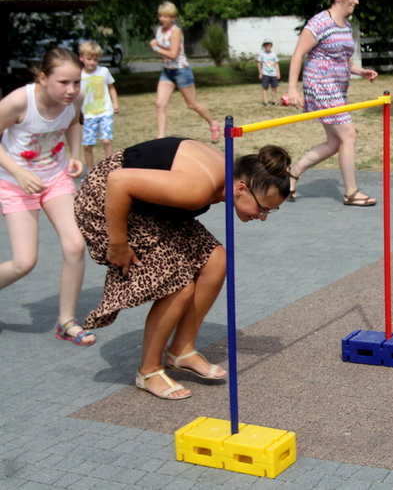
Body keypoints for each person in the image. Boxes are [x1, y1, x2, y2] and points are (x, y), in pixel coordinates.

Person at [74, 137, 292, 399]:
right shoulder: (197, 188)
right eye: (263, 208)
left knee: (216, 261)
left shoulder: (227, 175)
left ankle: (181, 350)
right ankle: (148, 371)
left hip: (153, 204)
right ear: (241, 188)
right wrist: (118, 244)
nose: (263, 217)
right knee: (179, 286)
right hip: (107, 201)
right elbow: (117, 181)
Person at [0, 47, 94, 346]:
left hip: (55, 178)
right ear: (42, 78)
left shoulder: (75, 98)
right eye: (63, 82)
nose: (71, 90)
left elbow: (74, 123)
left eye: (76, 82)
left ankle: (67, 322)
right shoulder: (19, 101)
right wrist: (18, 172)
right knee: (24, 262)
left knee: (75, 244)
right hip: (15, 183)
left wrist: (75, 155)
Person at [286, 0, 379, 207]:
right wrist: (292, 89)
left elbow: (342, 60)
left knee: (335, 142)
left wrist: (361, 71)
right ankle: (351, 192)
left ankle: (293, 172)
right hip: (320, 85)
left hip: (337, 87)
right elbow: (298, 54)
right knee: (348, 134)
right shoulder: (319, 22)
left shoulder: (345, 26)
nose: (356, 1)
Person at [150, 1, 221, 143]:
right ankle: (161, 136)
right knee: (160, 104)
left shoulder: (176, 31)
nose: (162, 19)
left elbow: (173, 54)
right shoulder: (159, 30)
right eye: (160, 16)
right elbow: (164, 52)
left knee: (192, 104)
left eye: (165, 16)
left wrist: (156, 48)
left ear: (173, 18)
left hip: (181, 71)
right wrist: (158, 49)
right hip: (167, 72)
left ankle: (213, 124)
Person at [78, 41, 119, 170]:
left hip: (105, 111)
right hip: (88, 114)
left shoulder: (104, 71)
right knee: (88, 145)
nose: (92, 62)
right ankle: (90, 170)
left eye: (95, 59)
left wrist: (115, 103)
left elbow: (111, 87)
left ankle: (110, 168)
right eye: (89, 59)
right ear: (81, 58)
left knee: (106, 141)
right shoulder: (79, 75)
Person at [258, 40, 280, 105]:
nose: (268, 47)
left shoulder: (274, 54)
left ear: (271, 46)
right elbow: (259, 64)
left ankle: (274, 100)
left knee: (274, 87)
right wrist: (260, 73)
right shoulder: (262, 54)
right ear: (264, 46)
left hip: (273, 74)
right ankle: (265, 101)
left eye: (269, 45)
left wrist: (278, 73)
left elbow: (276, 64)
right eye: (266, 45)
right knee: (265, 88)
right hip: (265, 73)